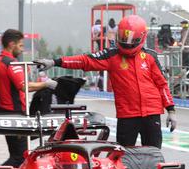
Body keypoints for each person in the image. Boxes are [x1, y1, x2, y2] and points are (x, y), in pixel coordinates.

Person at [35, 15, 176, 148]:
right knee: (123, 157)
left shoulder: (150, 56)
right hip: (127, 115)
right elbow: (85, 60)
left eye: (131, 38)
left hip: (152, 115)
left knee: (153, 154)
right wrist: (55, 62)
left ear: (141, 37)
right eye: (123, 37)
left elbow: (162, 84)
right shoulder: (111, 55)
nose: (127, 41)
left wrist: (171, 110)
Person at [0, 29, 58, 167]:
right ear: (11, 44)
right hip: (15, 115)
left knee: (17, 154)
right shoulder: (11, 64)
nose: (21, 50)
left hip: (3, 111)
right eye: (20, 46)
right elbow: (24, 86)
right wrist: (46, 84)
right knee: (20, 158)